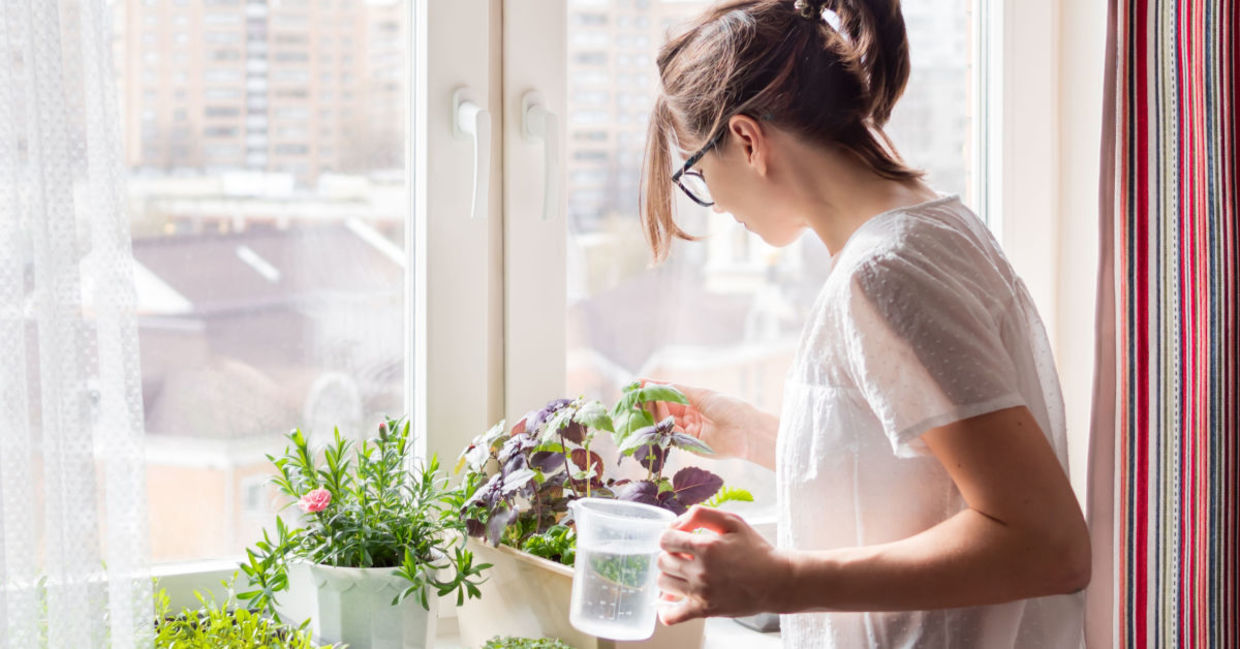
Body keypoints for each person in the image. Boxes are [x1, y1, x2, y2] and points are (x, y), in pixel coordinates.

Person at [638, 1, 1090, 647]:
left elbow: (1048, 543)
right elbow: (929, 472)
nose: (714, 202)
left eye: (697, 172)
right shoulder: (932, 229)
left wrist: (777, 579)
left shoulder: (885, 274)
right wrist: (754, 433)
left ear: (745, 139)